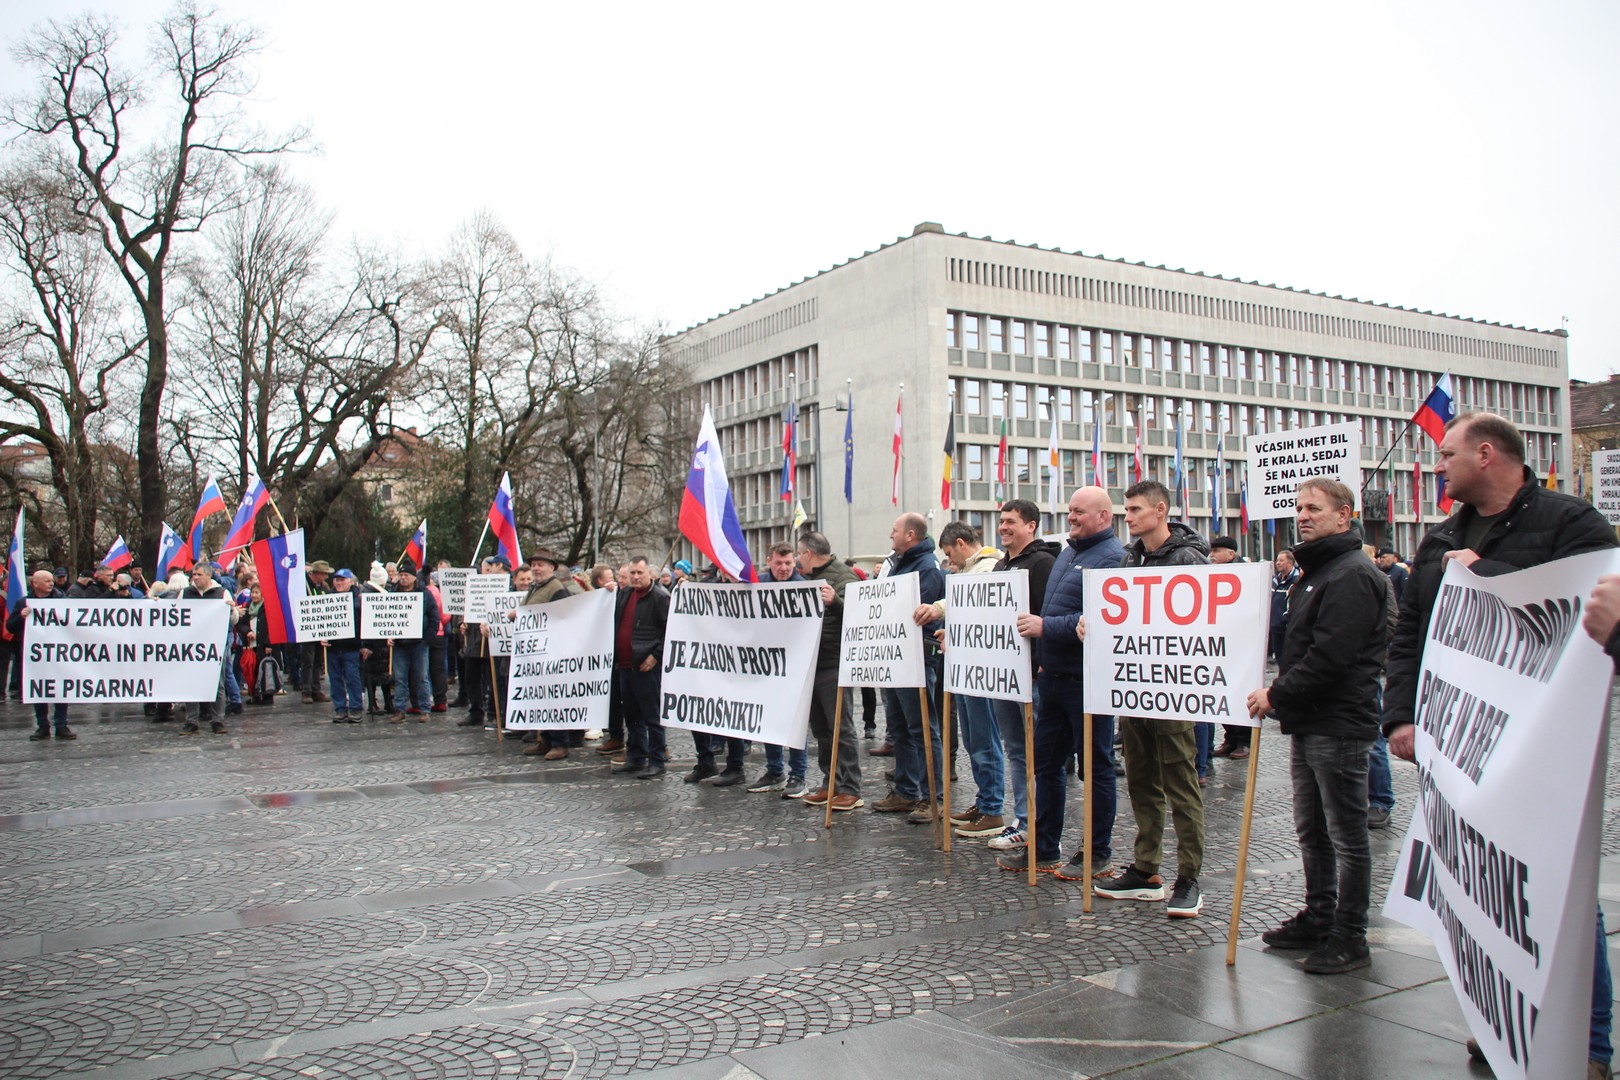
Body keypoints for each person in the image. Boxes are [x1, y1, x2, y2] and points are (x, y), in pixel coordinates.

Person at [1384, 413, 1615, 1079]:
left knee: (1556, 889)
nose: (1438, 466)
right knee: (1479, 884)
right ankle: (1501, 1023)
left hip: (1541, 745)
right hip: (1463, 744)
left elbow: (1585, 614)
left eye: (1447, 454)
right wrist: (1400, 716)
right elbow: (1413, 632)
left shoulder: (1572, 524)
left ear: (1486, 454)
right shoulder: (1441, 537)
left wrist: (1487, 572)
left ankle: (1588, 1046)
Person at [1246, 479, 1391, 974]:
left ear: (1344, 515)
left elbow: (1331, 655)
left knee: (1346, 835)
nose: (1302, 516)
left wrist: (1277, 694)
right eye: (1298, 508)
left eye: (1313, 508)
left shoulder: (1351, 574)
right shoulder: (1321, 570)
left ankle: (1350, 935)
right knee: (1312, 830)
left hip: (1339, 722)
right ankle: (1319, 914)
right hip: (1311, 720)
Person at [1090, 480, 1208, 917]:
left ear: (1160, 511)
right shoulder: (1130, 557)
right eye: (1127, 510)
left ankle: (1189, 876)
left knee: (1180, 782)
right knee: (1141, 780)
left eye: (1136, 510)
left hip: (1172, 688)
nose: (1129, 518)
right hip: (1135, 686)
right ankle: (1146, 868)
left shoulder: (1188, 559)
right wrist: (1093, 623)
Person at [1004, 489, 1119, 875]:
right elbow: (1058, 610)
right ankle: (1044, 847)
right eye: (1070, 510)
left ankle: (1096, 853)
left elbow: (1098, 620)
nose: (1071, 517)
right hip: (1053, 677)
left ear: (1103, 516)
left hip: (1086, 682)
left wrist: (1045, 628)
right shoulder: (1068, 553)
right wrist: (1043, 659)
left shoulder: (1114, 558)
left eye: (1079, 512)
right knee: (1046, 765)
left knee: (1095, 768)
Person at [913, 521, 1005, 831]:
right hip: (965, 665)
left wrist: (939, 610)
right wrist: (949, 628)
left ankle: (992, 807)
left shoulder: (988, 566)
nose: (949, 561)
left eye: (950, 554)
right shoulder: (969, 569)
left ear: (962, 544)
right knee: (975, 739)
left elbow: (971, 602)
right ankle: (984, 801)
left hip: (980, 668)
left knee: (984, 738)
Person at [873, 513, 945, 815]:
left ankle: (933, 798)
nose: (891, 535)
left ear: (910, 535)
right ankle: (906, 790)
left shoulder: (927, 568)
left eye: (895, 530)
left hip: (916, 657)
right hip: (895, 657)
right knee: (900, 727)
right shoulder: (901, 563)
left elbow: (913, 614)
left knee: (922, 728)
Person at [795, 531, 863, 812]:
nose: (798, 559)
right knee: (822, 729)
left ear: (809, 553)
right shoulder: (808, 579)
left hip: (834, 664)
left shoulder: (844, 577)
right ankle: (830, 782)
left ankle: (851, 788)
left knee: (840, 728)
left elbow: (859, 616)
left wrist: (835, 601)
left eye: (799, 553)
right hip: (813, 663)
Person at [744, 543, 810, 794]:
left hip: (794, 666)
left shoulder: (804, 587)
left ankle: (798, 775)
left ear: (795, 563)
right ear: (769, 561)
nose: (784, 568)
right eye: (779, 563)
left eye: (788, 563)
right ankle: (774, 771)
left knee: (794, 722)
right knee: (768, 719)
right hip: (764, 665)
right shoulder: (757, 585)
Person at [519, 549, 581, 759]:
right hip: (537, 654)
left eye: (540, 565)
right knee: (542, 699)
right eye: (534, 565)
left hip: (552, 653)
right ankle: (545, 739)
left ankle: (560, 743)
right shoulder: (536, 588)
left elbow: (563, 618)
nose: (536, 568)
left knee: (554, 700)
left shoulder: (556, 589)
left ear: (551, 568)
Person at [613, 556, 670, 779]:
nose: (635, 577)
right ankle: (636, 757)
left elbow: (669, 631)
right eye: (632, 573)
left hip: (646, 666)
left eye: (639, 573)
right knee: (632, 716)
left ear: (649, 574)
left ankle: (657, 760)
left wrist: (655, 656)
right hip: (626, 665)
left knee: (652, 716)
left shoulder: (660, 597)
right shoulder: (625, 594)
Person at [7, 569, 75, 740]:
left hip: (59, 653)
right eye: (46, 581)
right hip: (36, 655)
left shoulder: (62, 601)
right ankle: (42, 726)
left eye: (51, 580)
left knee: (60, 688)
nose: (51, 583)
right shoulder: (24, 602)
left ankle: (61, 725)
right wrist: (21, 616)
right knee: (39, 689)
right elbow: (10, 627)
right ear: (35, 584)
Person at [180, 562, 238, 735]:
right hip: (192, 646)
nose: (195, 578)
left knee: (217, 684)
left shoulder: (221, 593)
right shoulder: (185, 593)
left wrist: (231, 610)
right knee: (191, 684)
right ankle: (191, 721)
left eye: (199, 574)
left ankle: (217, 720)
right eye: (194, 575)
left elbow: (233, 620)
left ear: (208, 575)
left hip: (215, 646)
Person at [387, 560, 440, 724]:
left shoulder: (425, 594)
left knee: (422, 677)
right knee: (400, 679)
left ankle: (425, 709)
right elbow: (386, 617)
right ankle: (400, 710)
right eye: (401, 575)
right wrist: (388, 635)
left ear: (414, 577)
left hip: (419, 643)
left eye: (406, 575)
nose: (403, 578)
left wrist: (427, 638)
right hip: (400, 644)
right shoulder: (392, 594)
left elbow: (434, 617)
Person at [326, 568, 365, 723]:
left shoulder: (359, 599)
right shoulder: (328, 599)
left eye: (342, 580)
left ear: (350, 581)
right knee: (335, 679)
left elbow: (364, 623)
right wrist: (321, 638)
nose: (339, 582)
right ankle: (340, 708)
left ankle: (355, 708)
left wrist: (364, 644)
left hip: (351, 647)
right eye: (336, 579)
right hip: (333, 647)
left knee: (352, 678)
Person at [300, 560, 333, 704]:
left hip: (320, 629)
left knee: (318, 661)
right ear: (317, 574)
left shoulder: (323, 587)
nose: (326, 577)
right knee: (308, 661)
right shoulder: (303, 586)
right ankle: (306, 691)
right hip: (308, 630)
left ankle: (316, 689)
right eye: (324, 574)